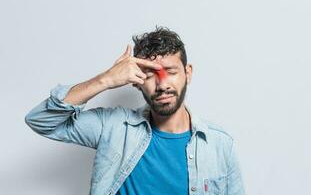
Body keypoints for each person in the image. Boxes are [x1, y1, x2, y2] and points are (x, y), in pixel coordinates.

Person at [25, 26, 246, 195]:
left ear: (188, 73)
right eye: (150, 74)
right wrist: (106, 79)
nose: (162, 84)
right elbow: (41, 120)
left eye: (171, 71)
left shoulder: (219, 145)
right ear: (135, 81)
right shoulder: (113, 127)